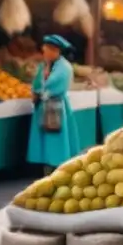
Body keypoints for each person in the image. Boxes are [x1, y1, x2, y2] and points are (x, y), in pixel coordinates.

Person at [26, 35, 82, 172]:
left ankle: (58, 165)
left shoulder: (65, 68)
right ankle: (46, 164)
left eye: (46, 51)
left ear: (55, 51)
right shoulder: (43, 65)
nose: (44, 53)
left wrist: (42, 91)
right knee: (44, 136)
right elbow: (37, 83)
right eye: (43, 50)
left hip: (55, 106)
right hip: (42, 107)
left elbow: (54, 86)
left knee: (55, 136)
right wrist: (35, 92)